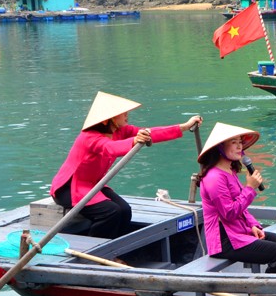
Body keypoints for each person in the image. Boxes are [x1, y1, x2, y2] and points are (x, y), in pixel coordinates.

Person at [50, 91, 201, 238]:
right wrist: (134, 140)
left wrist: (184, 126)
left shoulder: (120, 131)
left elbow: (150, 132)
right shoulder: (89, 137)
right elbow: (110, 148)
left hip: (92, 185)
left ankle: (114, 248)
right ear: (108, 119)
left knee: (124, 210)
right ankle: (94, 249)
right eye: (122, 113)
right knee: (111, 212)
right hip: (70, 188)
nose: (127, 115)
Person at [198, 123, 276, 273]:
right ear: (220, 148)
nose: (239, 147)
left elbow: (241, 208)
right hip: (225, 241)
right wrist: (250, 188)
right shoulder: (214, 178)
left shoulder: (230, 171)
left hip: (240, 232)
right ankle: (266, 292)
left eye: (240, 142)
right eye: (233, 143)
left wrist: (253, 226)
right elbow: (229, 213)